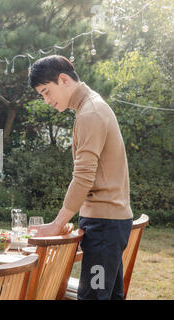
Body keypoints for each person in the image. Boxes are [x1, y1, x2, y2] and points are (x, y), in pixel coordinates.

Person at [28, 55, 133, 300]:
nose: (46, 100)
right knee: (109, 296)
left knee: (93, 297)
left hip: (104, 226)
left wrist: (57, 223)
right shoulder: (91, 107)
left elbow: (83, 177)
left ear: (63, 79)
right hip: (108, 223)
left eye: (46, 91)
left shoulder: (90, 113)